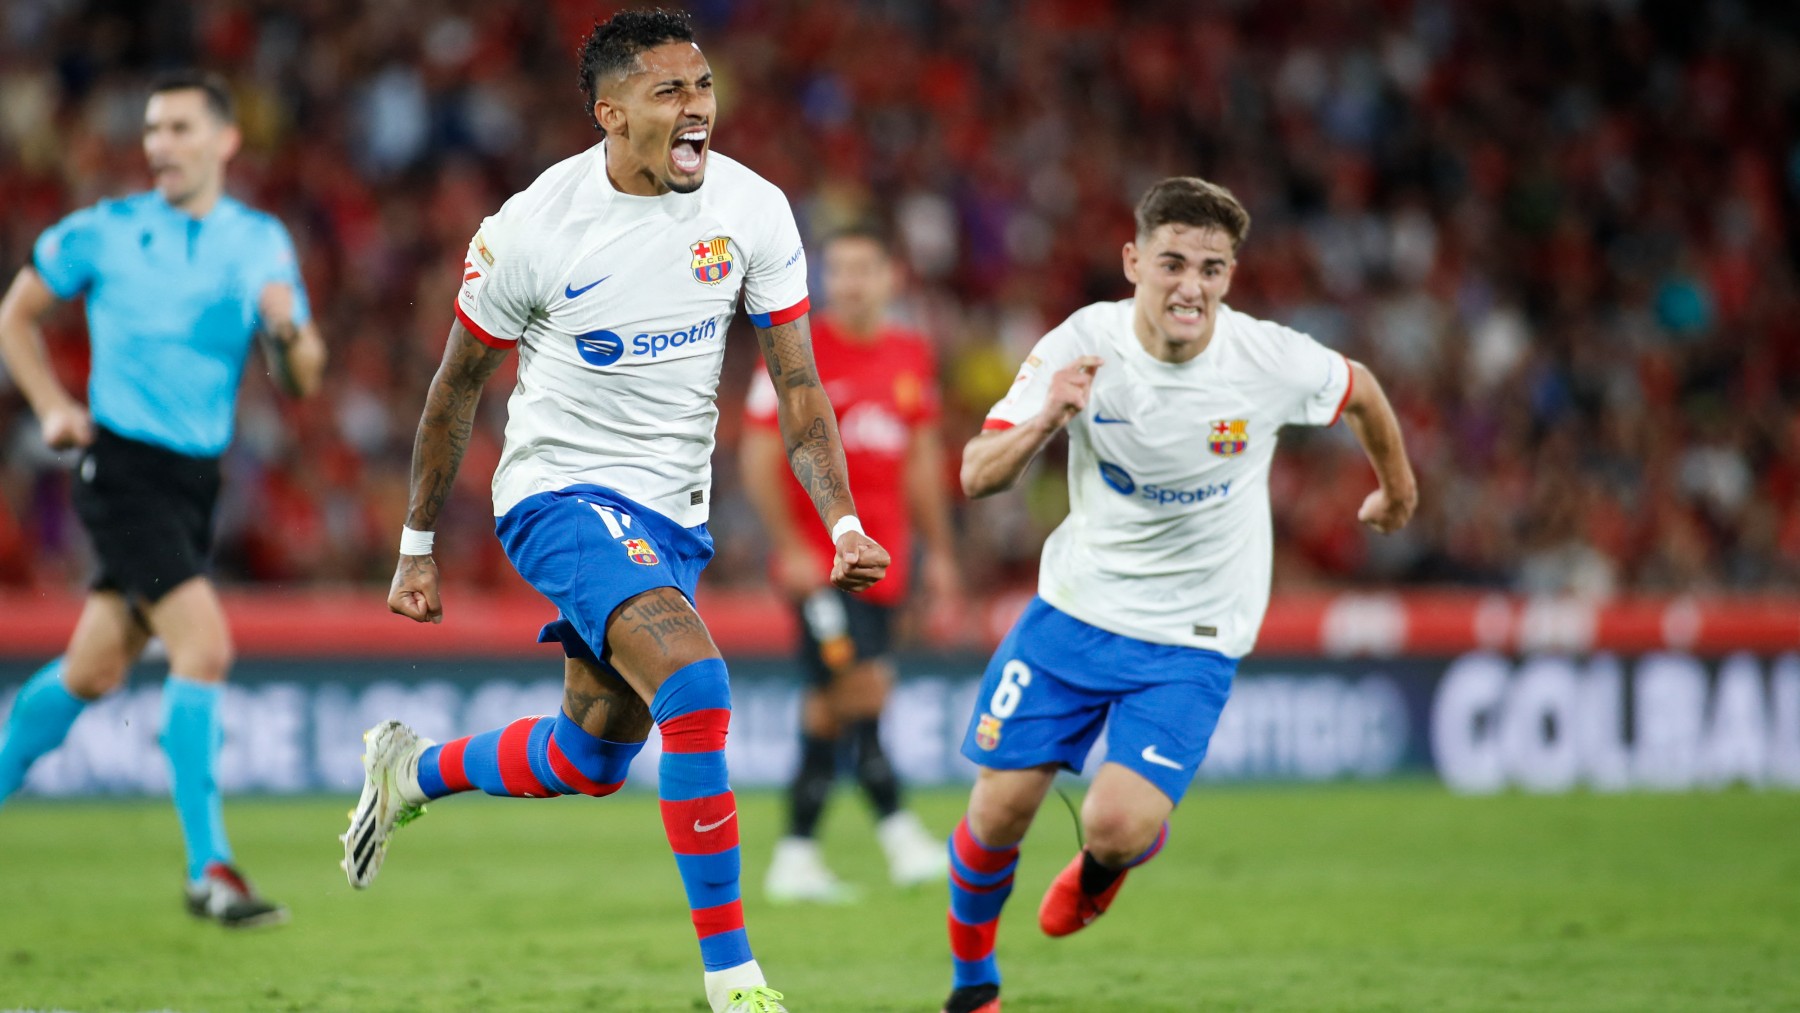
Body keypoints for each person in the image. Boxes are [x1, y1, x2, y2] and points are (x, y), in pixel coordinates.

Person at [338, 12, 886, 1013]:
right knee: (698, 685)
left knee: (592, 753)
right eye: (670, 90)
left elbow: (799, 386)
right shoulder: (533, 228)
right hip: (557, 491)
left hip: (671, 514)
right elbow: (456, 389)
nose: (698, 108)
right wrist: (417, 544)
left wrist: (842, 521)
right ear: (610, 112)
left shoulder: (754, 209)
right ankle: (736, 978)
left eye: (705, 85)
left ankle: (412, 769)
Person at [938, 177, 1418, 1013]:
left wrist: (1398, 490)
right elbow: (976, 473)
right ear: (1133, 262)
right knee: (999, 810)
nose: (1191, 284)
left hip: (1193, 636)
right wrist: (1050, 414)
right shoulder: (1081, 343)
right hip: (1075, 613)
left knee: (1116, 826)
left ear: (1231, 276)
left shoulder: (1265, 359)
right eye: (1172, 262)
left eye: (1212, 267)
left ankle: (1103, 867)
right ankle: (973, 988)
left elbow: (1364, 390)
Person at [0, 70, 325, 928]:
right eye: (152, 130)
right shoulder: (104, 231)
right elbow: (15, 315)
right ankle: (207, 868)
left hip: (195, 483)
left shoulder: (258, 242)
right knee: (204, 644)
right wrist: (52, 406)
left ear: (225, 141)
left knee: (93, 668)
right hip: (122, 469)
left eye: (180, 128)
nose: (160, 145)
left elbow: (304, 373)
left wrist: (288, 333)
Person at [741, 226, 955, 904]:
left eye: (864, 269)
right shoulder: (794, 350)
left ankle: (798, 855)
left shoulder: (909, 353)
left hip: (887, 562)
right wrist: (792, 544)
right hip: (823, 567)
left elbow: (919, 460)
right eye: (838, 270)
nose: (850, 282)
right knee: (857, 686)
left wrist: (940, 551)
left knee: (834, 703)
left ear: (890, 278)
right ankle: (897, 831)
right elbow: (757, 455)